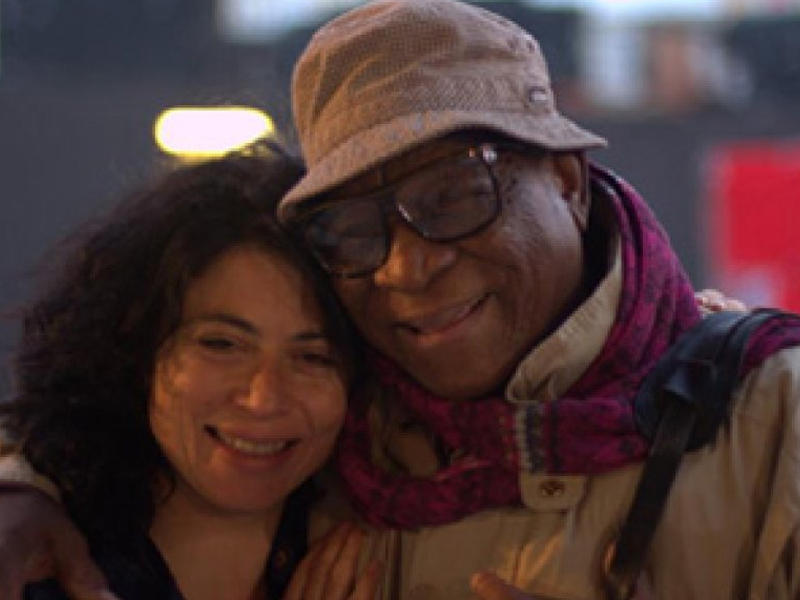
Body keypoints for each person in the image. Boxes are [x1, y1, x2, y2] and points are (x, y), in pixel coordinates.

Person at [0, 0, 794, 598]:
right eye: (353, 229)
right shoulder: (336, 428)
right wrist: (21, 488)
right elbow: (94, 429)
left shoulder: (771, 421)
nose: (406, 269)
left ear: (564, 180)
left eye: (456, 195)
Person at [0, 148, 381, 600]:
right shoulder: (33, 567)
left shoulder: (388, 550)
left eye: (313, 357)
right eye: (221, 345)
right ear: (135, 347)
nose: (264, 398)